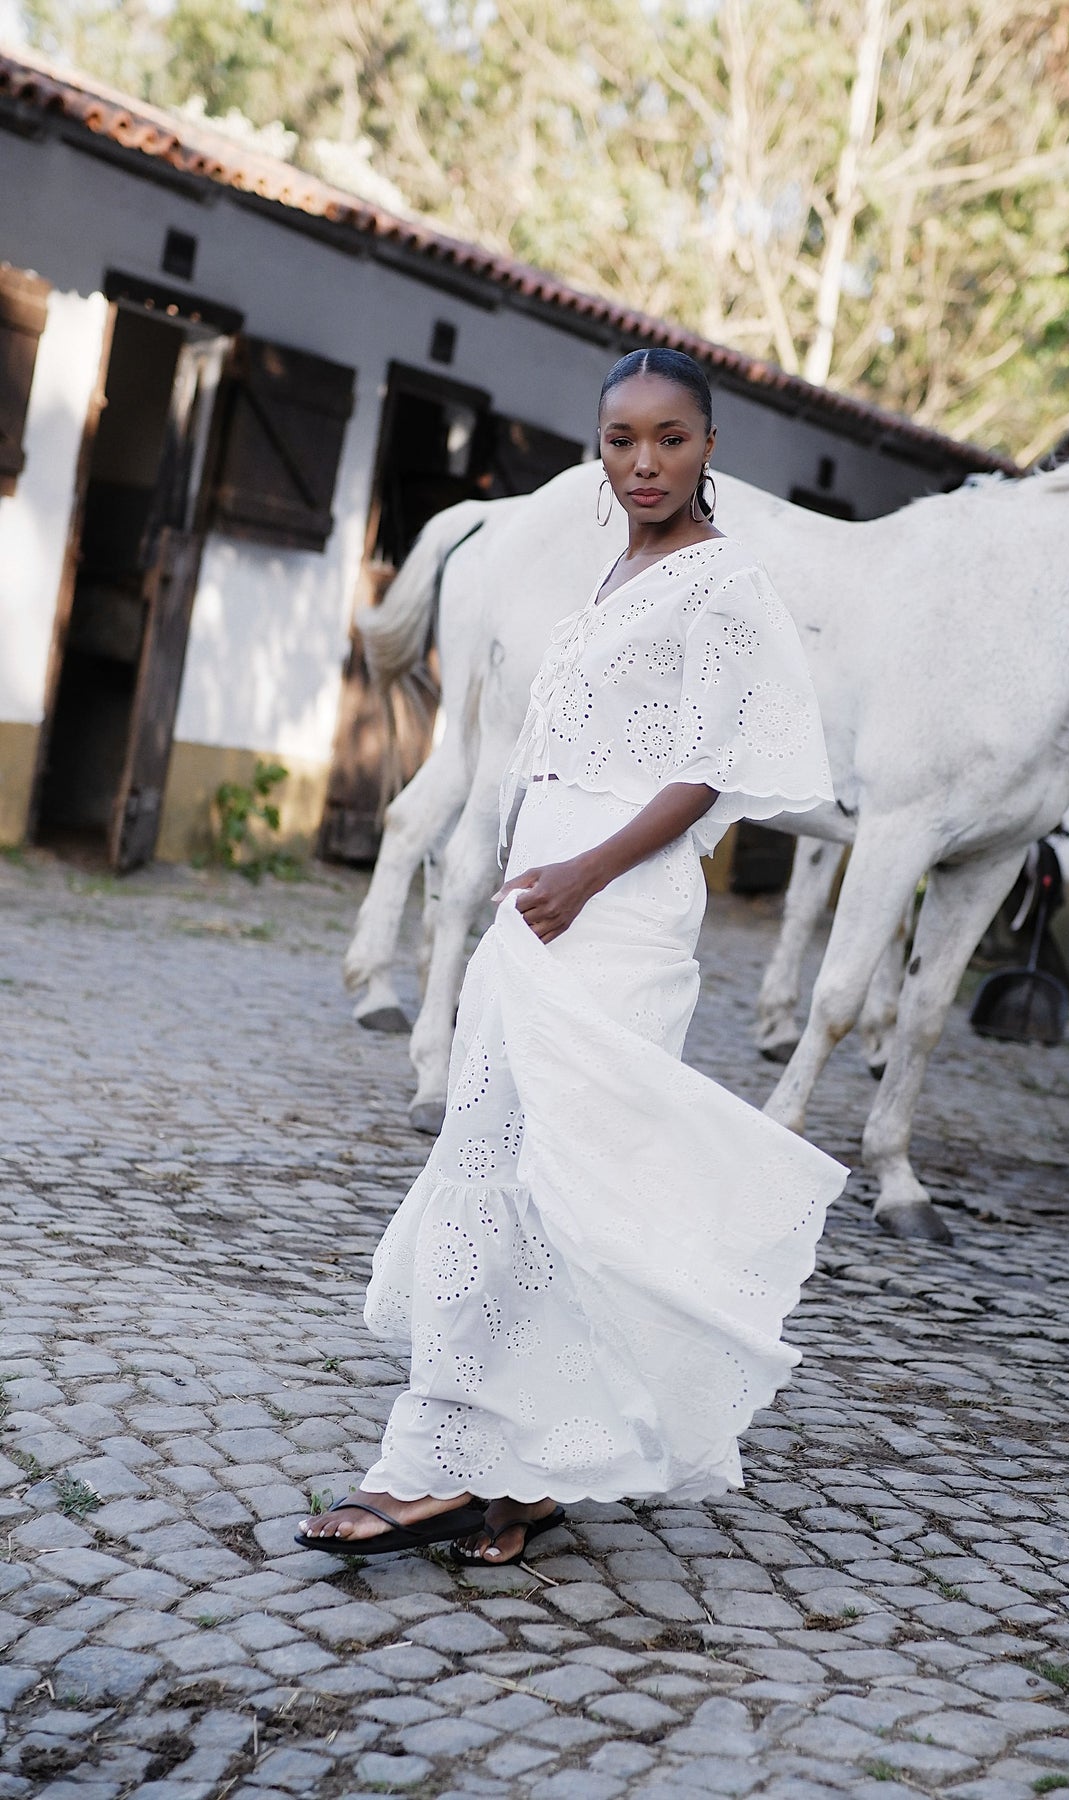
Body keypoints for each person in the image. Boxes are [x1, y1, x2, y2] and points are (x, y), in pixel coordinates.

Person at [296, 347, 848, 1568]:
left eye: (669, 438)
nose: (642, 464)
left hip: (615, 907)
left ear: (711, 447)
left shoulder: (722, 586)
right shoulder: (615, 569)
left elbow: (704, 772)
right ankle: (524, 1471)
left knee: (545, 1177)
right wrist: (529, 873)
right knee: (505, 1175)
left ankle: (429, 1472)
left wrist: (586, 875)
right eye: (620, 441)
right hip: (538, 900)